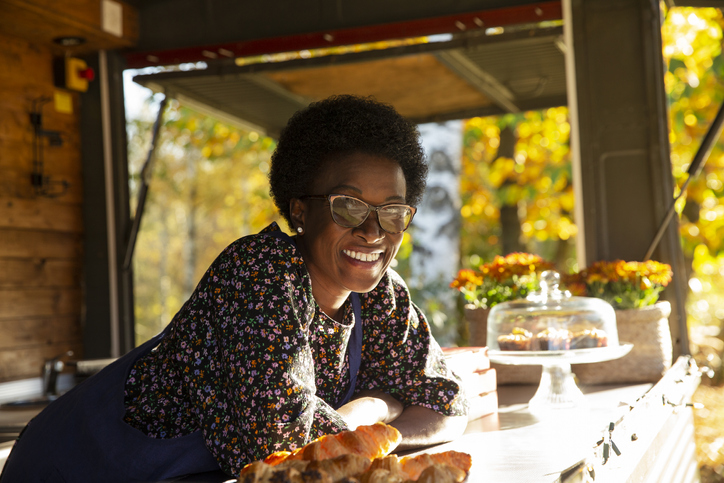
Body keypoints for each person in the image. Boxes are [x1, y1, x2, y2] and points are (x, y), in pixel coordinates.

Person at [0, 95, 468, 482]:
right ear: (300, 210)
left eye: (393, 211)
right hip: (75, 469)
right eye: (349, 206)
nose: (373, 231)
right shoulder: (258, 273)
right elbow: (280, 450)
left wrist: (377, 431)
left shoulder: (382, 295)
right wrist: (379, 405)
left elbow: (448, 406)